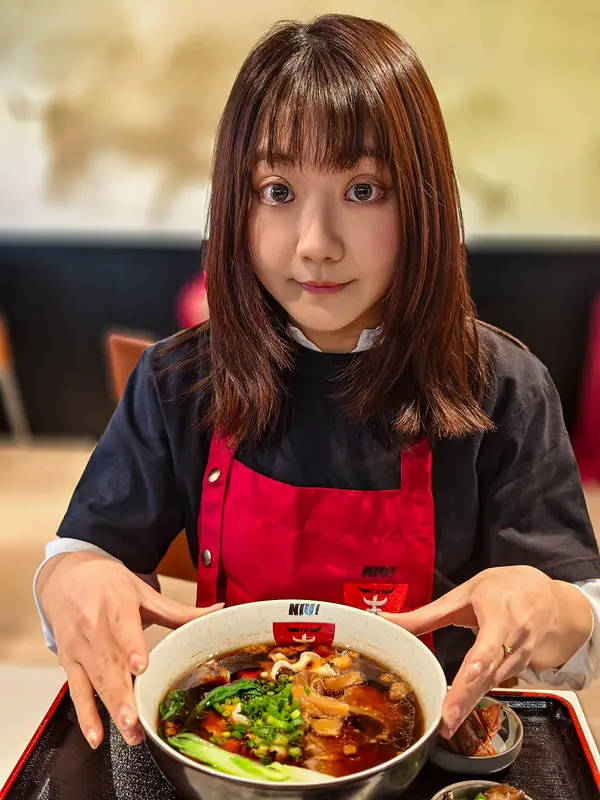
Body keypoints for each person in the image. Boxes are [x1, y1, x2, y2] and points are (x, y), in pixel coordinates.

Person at [35, 13, 600, 753]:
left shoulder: (502, 386)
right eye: (277, 190)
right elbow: (79, 554)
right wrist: (70, 579)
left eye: (363, 190)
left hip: (437, 759)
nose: (316, 244)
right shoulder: (179, 380)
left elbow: (579, 618)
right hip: (231, 753)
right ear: (235, 203)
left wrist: (544, 606)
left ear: (423, 201)